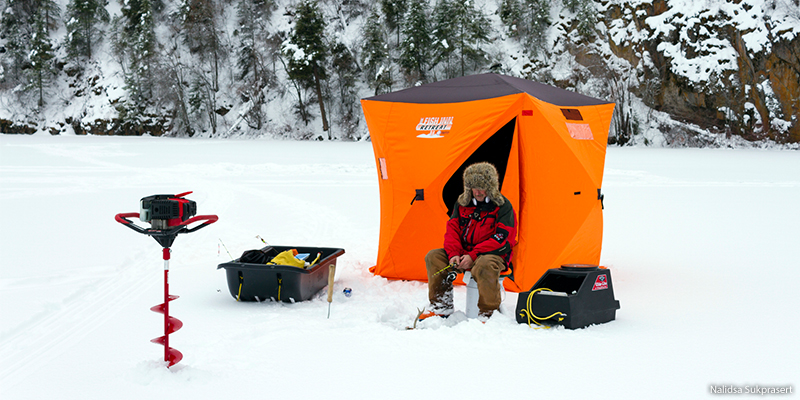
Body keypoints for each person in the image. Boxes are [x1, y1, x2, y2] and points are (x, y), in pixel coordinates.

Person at [422, 162, 517, 320]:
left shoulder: (503, 206)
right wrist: (454, 254)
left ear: (491, 186)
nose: (478, 192)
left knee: (484, 265)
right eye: (474, 187)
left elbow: (502, 239)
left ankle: (488, 314)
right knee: (434, 257)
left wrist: (473, 255)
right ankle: (441, 306)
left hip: (493, 254)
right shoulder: (462, 204)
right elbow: (452, 230)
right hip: (464, 253)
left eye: (482, 187)